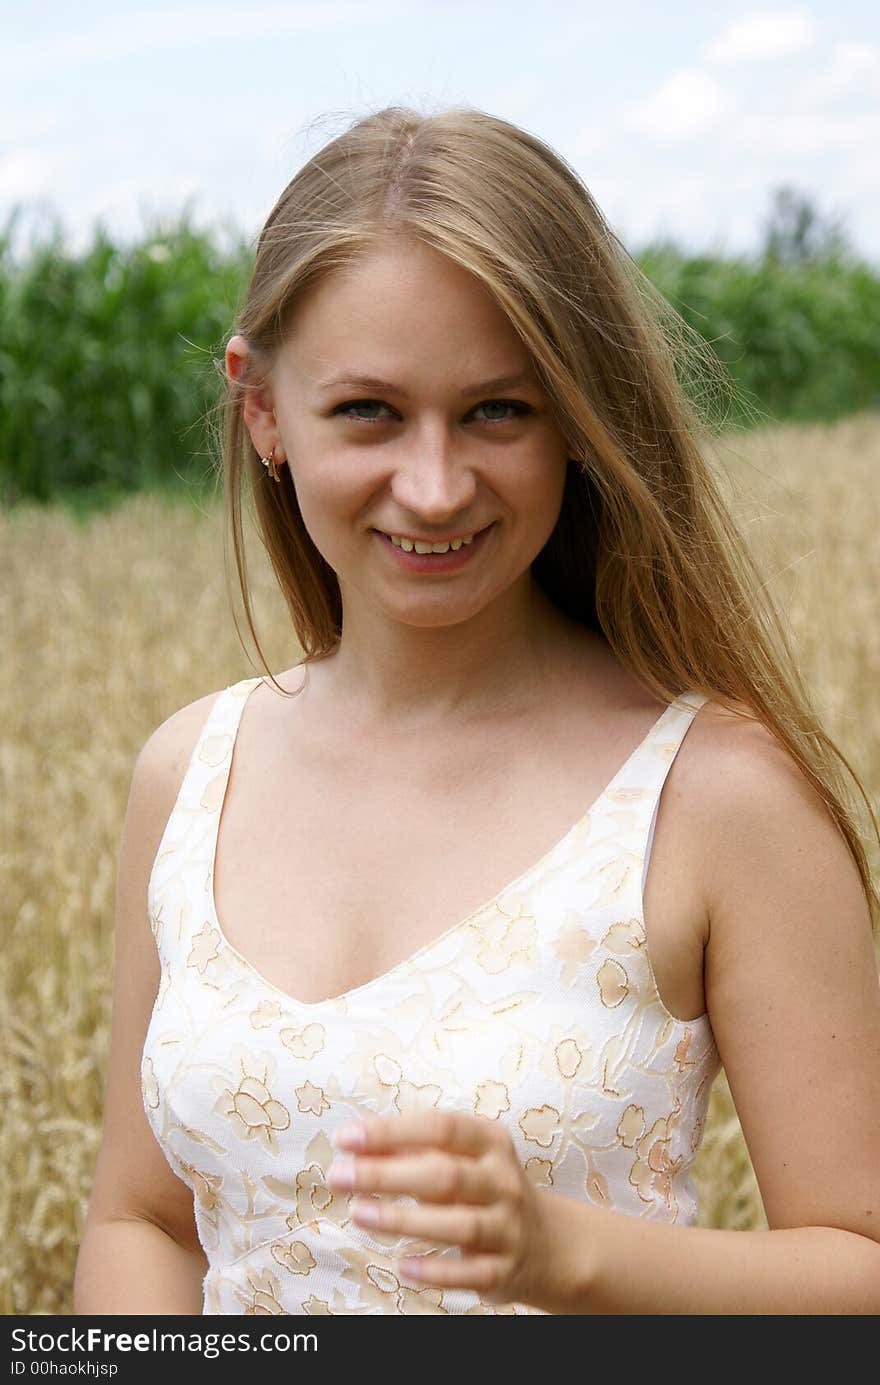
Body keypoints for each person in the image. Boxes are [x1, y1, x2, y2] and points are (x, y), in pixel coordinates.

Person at [74, 105, 880, 1316]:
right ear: (262, 411)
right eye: (369, 412)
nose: (437, 483)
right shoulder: (189, 774)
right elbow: (144, 1217)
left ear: (576, 416)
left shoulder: (716, 798)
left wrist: (574, 1256)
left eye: (498, 409)